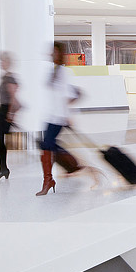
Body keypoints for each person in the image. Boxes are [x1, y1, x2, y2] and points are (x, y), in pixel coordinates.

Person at [37, 42, 100, 196]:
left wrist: (67, 115)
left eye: (55, 52)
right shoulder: (53, 71)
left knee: (46, 145)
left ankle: (51, 179)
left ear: (60, 53)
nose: (52, 54)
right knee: (49, 146)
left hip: (59, 117)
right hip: (50, 115)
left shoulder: (64, 72)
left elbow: (68, 95)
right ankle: (74, 168)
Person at [0, 52, 19, 181]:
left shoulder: (10, 78)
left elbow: (13, 97)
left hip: (6, 110)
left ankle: (3, 169)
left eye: (3, 61)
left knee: (0, 141)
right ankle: (3, 168)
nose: (1, 63)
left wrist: (10, 113)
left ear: (8, 62)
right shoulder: (5, 77)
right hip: (3, 109)